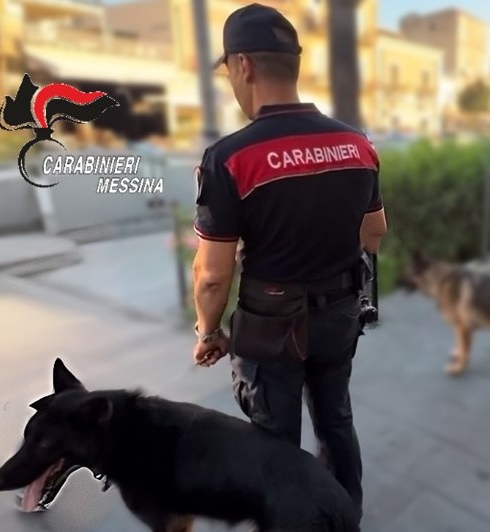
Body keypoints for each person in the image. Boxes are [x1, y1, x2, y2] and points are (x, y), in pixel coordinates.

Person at [190, 3, 386, 525]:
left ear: (243, 66)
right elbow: (374, 233)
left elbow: (212, 275)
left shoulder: (231, 157)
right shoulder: (356, 144)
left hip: (271, 326)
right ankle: (344, 517)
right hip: (340, 312)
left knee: (275, 442)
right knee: (336, 420)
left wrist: (208, 331)